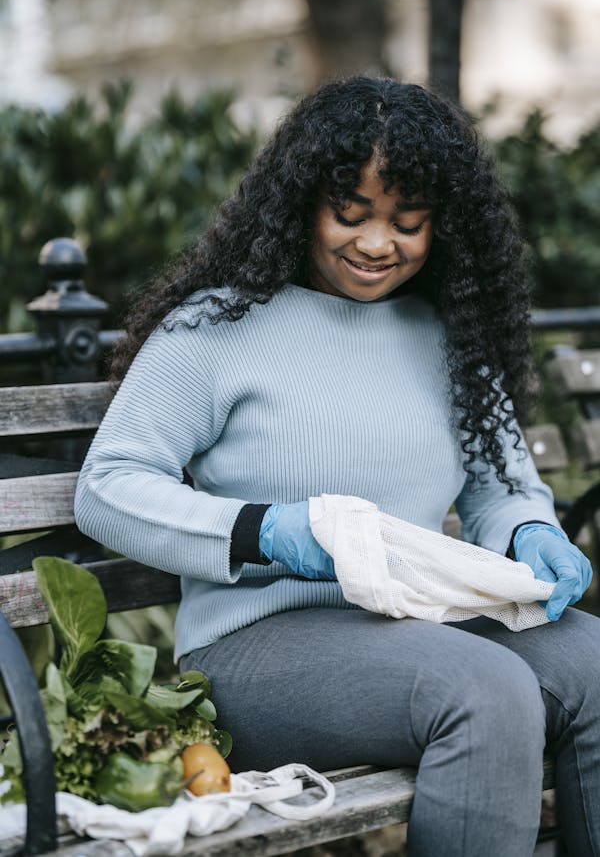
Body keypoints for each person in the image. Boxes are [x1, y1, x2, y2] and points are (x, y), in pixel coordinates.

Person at [74, 76, 600, 856]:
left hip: (415, 623)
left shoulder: (445, 334)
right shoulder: (215, 329)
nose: (377, 243)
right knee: (484, 693)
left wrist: (528, 532)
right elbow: (109, 489)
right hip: (257, 647)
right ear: (301, 204)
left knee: (592, 660)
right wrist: (265, 532)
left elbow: (500, 482)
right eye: (350, 213)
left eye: (409, 222)